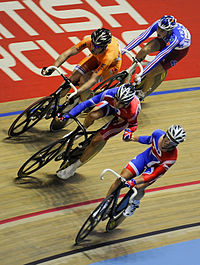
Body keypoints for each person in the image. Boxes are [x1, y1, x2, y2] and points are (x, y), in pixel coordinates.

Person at [106, 124, 186, 229]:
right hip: (145, 158)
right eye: (167, 138)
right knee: (121, 179)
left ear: (176, 145)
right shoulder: (157, 133)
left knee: (138, 187)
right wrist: (131, 138)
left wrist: (135, 181)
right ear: (165, 133)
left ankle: (134, 203)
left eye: (171, 142)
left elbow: (154, 174)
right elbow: (147, 139)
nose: (167, 143)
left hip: (154, 170)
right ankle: (106, 203)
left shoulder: (172, 158)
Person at [56, 84, 141, 179]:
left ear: (127, 103)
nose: (117, 104)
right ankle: (79, 131)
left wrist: (128, 132)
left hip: (123, 118)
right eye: (116, 100)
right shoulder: (110, 94)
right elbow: (86, 104)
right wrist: (67, 116)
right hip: (110, 107)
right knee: (92, 115)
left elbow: (133, 125)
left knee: (97, 140)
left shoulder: (132, 111)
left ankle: (73, 167)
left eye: (121, 103)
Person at [41, 28, 122, 102]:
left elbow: (93, 80)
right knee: (72, 78)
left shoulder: (109, 56)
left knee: (84, 79)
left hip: (111, 66)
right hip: (97, 57)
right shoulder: (89, 41)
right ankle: (53, 101)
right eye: (93, 44)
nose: (93, 48)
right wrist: (53, 68)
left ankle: (88, 102)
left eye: (97, 46)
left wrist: (76, 93)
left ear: (104, 46)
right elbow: (68, 53)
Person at [123, 15, 191, 100]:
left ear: (169, 31)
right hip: (165, 40)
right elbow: (141, 37)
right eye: (159, 28)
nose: (158, 31)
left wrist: (141, 74)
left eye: (162, 31)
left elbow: (159, 57)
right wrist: (123, 51)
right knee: (145, 49)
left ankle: (142, 93)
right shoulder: (159, 24)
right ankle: (131, 70)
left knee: (151, 73)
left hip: (177, 52)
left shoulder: (175, 38)